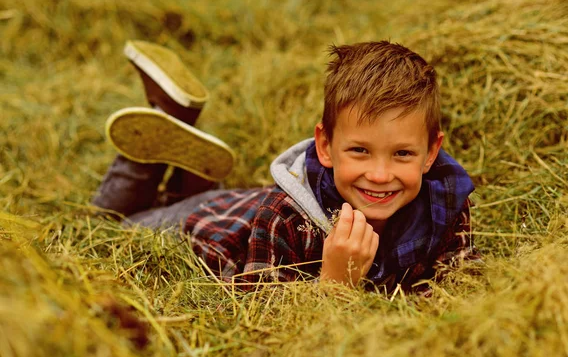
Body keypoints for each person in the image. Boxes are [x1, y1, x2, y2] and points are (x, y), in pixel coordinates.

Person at [93, 40, 478, 293]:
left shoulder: (445, 201)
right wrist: (333, 283)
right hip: (207, 225)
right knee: (111, 224)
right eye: (360, 150)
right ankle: (166, 117)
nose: (379, 174)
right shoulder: (286, 218)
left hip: (240, 204)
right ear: (325, 146)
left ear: (431, 152)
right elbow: (259, 311)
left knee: (185, 200)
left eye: (403, 154)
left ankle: (190, 171)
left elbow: (459, 281)